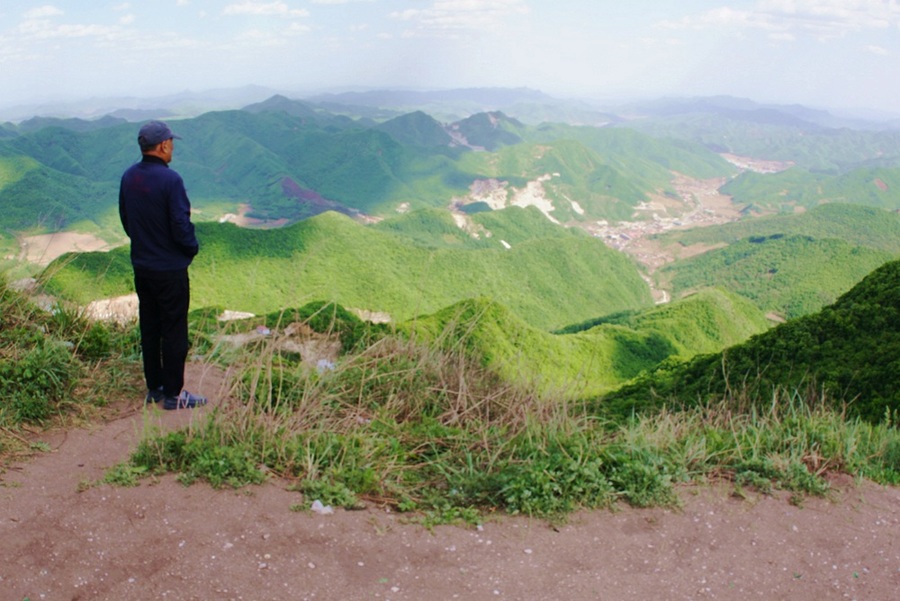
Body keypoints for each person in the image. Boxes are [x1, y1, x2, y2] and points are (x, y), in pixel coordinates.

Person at [119, 120, 207, 410]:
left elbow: (126, 220)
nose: (172, 148)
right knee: (174, 329)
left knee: (150, 325)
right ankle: (174, 394)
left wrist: (144, 244)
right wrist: (191, 248)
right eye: (171, 143)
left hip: (142, 266)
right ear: (163, 146)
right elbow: (181, 225)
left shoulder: (129, 177)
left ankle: (154, 387)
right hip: (169, 269)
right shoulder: (172, 181)